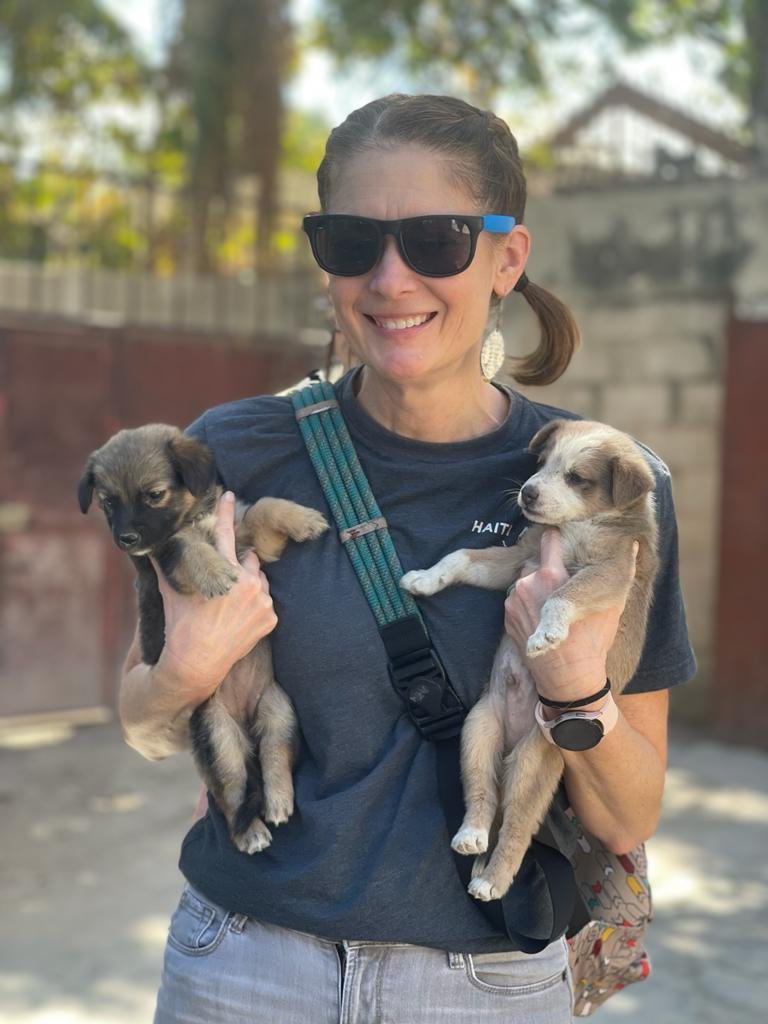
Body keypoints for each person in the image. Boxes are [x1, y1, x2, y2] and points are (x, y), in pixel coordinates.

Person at [119, 94, 695, 1024]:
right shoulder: (229, 451)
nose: (390, 279)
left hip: (486, 988)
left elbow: (628, 817)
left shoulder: (605, 483)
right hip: (242, 968)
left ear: (508, 257)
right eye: (353, 241)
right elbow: (142, 724)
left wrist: (574, 687)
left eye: (436, 240)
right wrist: (182, 672)